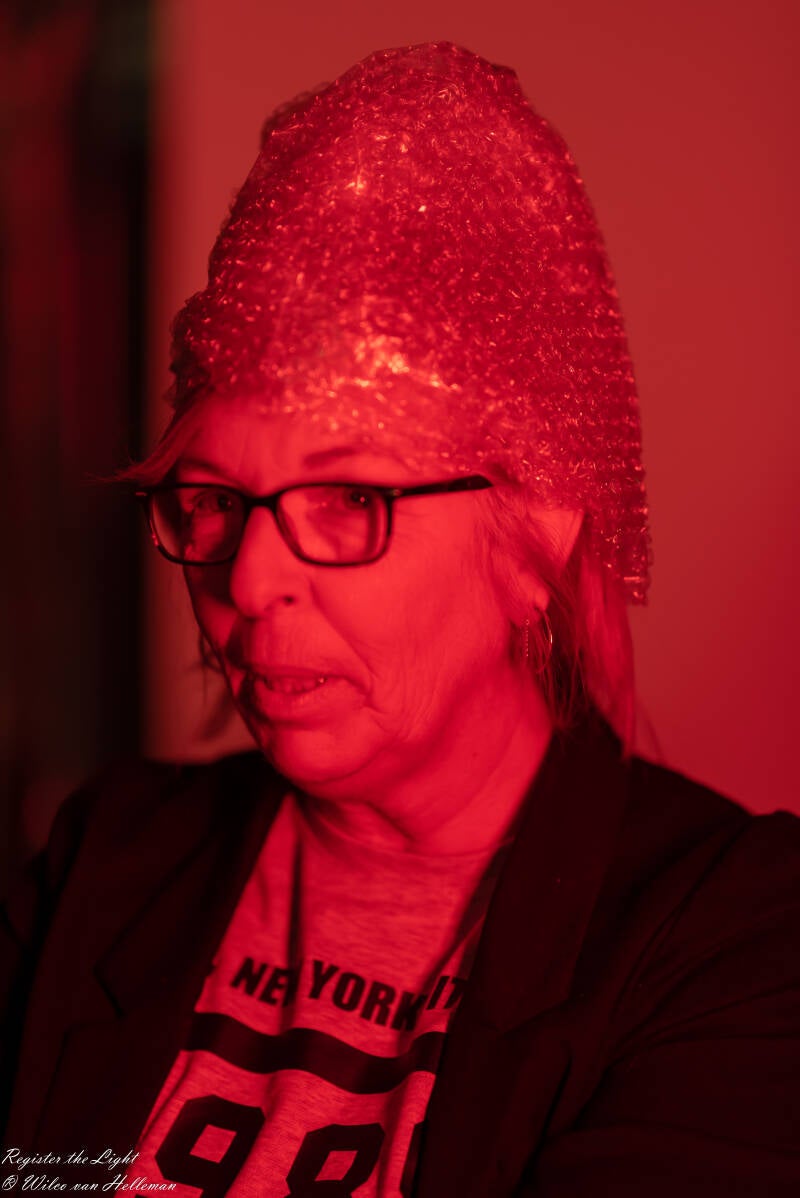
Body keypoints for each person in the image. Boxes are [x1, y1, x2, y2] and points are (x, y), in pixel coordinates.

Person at [1, 41, 798, 1198]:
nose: (249, 578)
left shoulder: (731, 941)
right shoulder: (111, 859)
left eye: (346, 500)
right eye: (212, 499)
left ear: (534, 537)